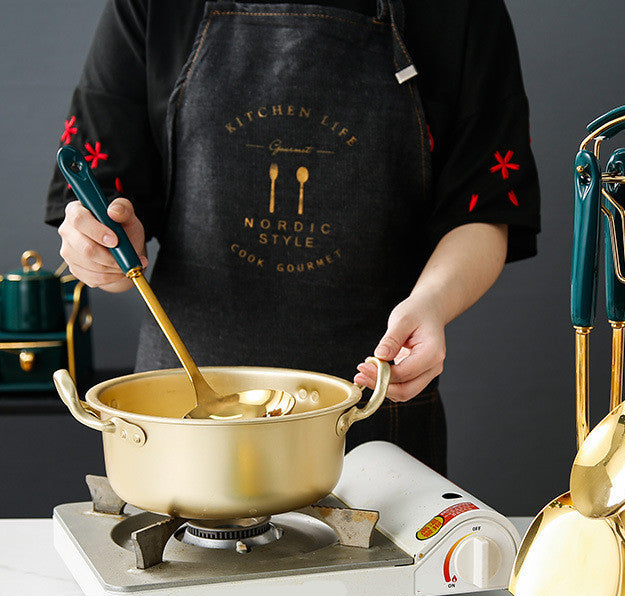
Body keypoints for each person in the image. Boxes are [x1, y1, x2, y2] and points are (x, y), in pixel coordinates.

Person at [47, 0, 540, 474]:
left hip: (372, 412)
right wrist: (101, 253)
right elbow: (106, 209)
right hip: (182, 424)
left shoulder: (461, 8)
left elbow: (483, 209)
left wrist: (432, 303)